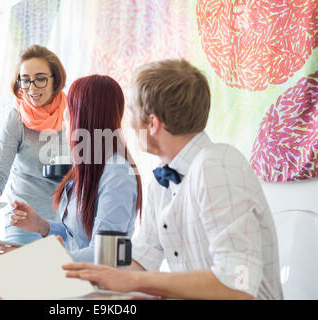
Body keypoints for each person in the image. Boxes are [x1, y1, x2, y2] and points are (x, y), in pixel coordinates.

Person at [63, 59, 284, 300]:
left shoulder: (216, 165)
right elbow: (140, 258)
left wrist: (134, 282)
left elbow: (238, 286)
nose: (128, 123)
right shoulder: (162, 180)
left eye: (133, 112)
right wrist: (62, 273)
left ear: (153, 123)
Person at [0, 74, 142, 262]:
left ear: (86, 116)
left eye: (71, 108)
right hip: (78, 280)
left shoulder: (117, 174)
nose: (66, 116)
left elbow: (107, 255)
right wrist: (43, 226)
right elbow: (78, 236)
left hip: (100, 286)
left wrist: (30, 259)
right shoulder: (88, 167)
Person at [0, 45, 70, 244]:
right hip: (23, 218)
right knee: (24, 273)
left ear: (55, 79)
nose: (32, 88)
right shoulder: (16, 117)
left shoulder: (74, 112)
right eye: (26, 80)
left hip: (67, 221)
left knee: (61, 275)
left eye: (40, 79)